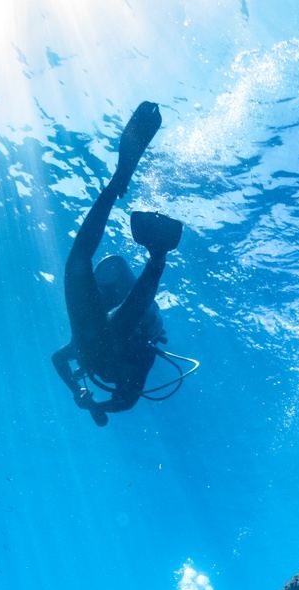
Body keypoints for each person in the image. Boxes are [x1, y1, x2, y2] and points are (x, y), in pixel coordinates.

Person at [51, 101, 187, 426]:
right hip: (106, 338)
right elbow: (125, 402)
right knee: (112, 310)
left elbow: (59, 359)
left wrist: (86, 400)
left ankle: (117, 184)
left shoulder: (97, 352)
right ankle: (157, 254)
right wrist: (93, 404)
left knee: (77, 267)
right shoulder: (125, 365)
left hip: (100, 338)